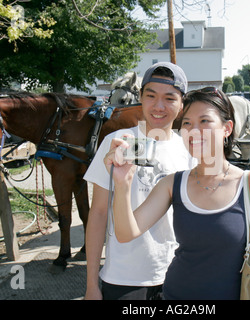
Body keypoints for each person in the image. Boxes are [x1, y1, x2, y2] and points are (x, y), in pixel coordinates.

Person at [106, 87, 250, 300]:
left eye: (204, 121)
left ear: (227, 128)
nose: (193, 131)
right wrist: (122, 183)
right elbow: (126, 233)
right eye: (187, 123)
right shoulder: (173, 183)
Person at [83, 62, 196, 300]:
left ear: (182, 104)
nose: (159, 106)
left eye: (169, 98)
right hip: (124, 278)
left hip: (178, 276)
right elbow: (99, 213)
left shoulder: (190, 150)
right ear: (140, 98)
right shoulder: (117, 143)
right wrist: (91, 284)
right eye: (151, 96)